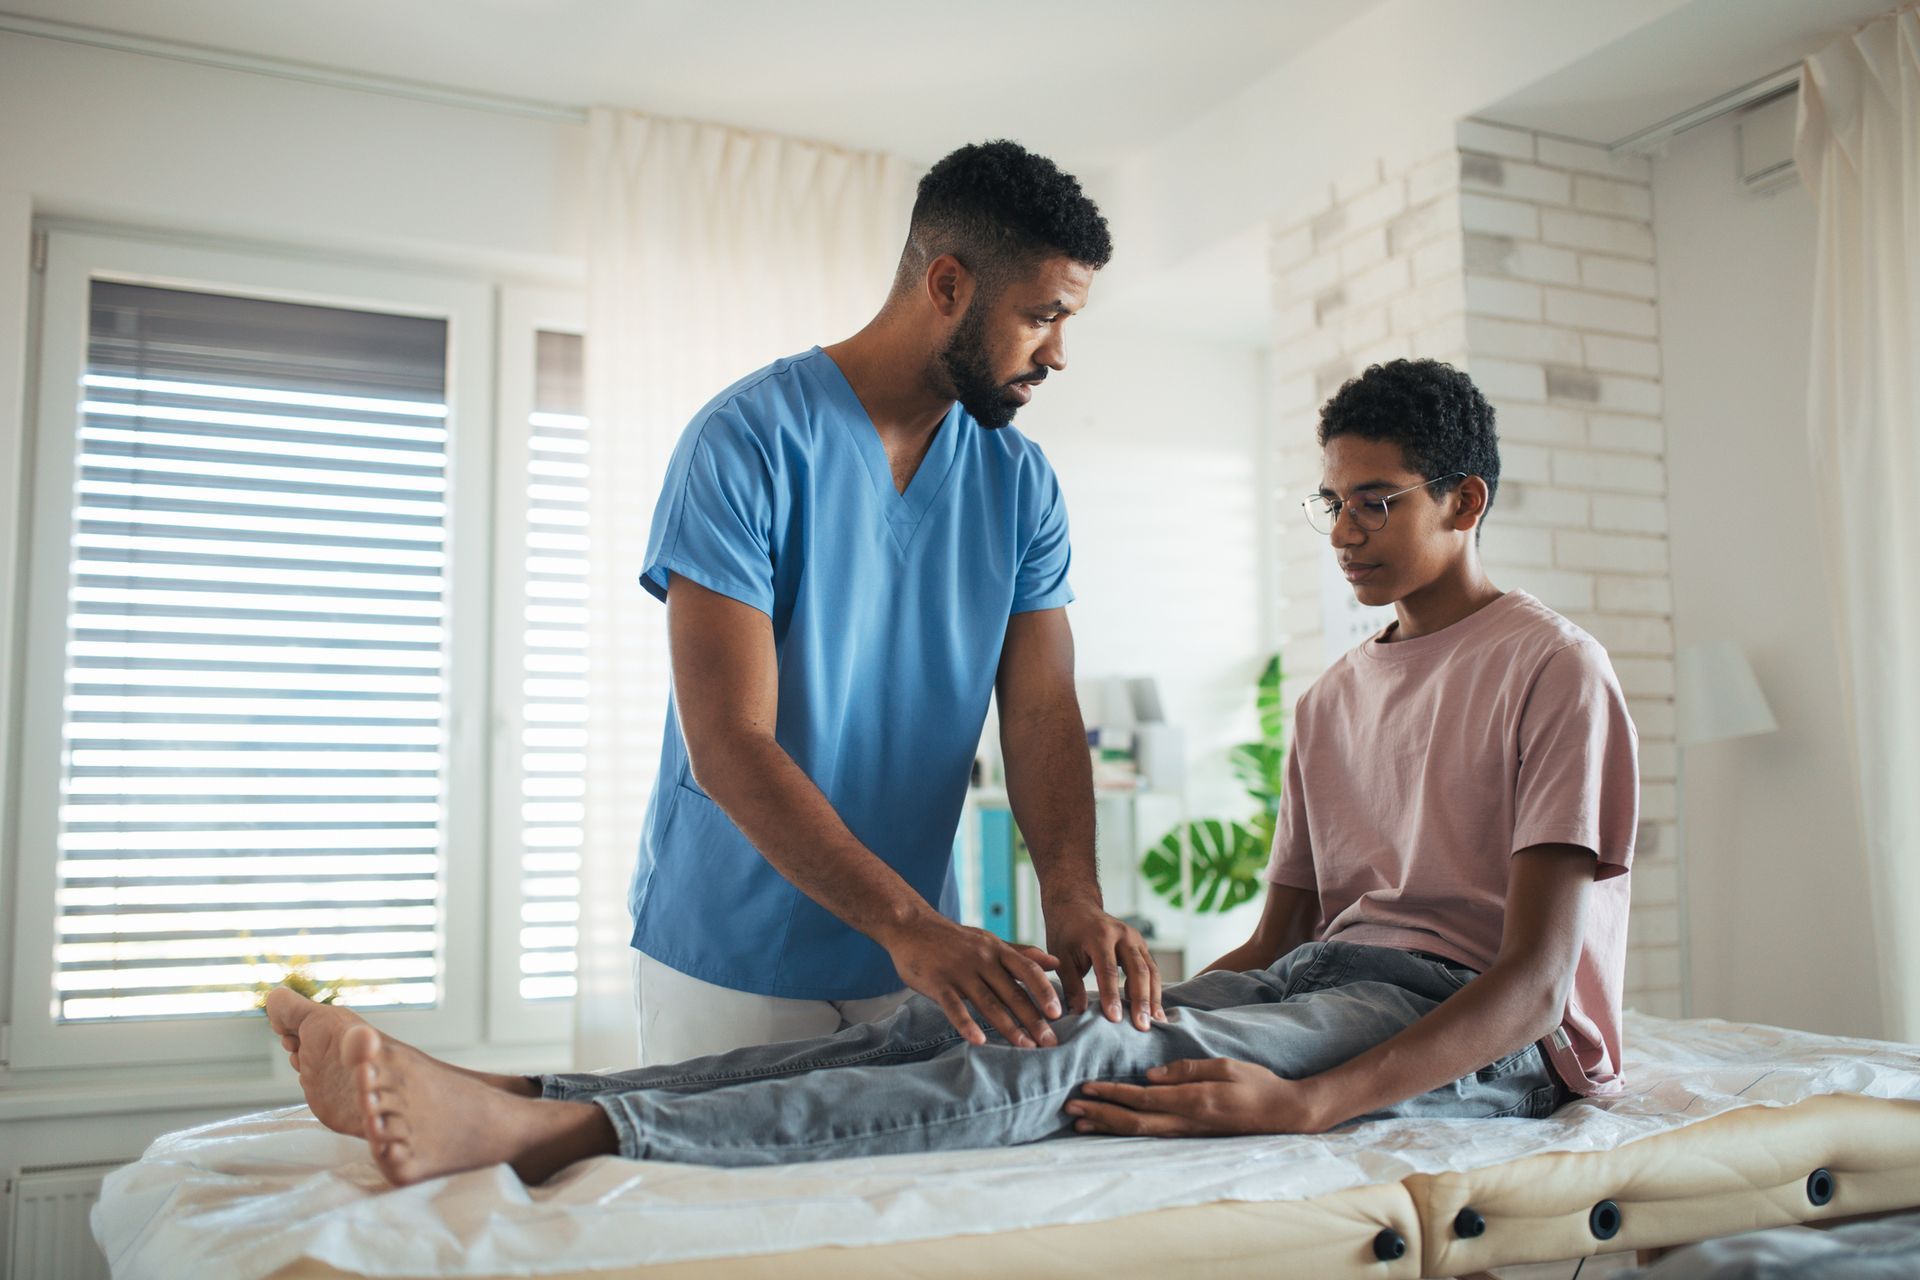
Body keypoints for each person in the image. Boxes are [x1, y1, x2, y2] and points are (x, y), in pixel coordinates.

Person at [269, 358, 1638, 1186]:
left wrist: (1305, 1103)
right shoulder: (1341, 695)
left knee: (1073, 1067)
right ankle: (503, 1099)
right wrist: (1132, 991)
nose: (1346, 532)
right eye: (1331, 502)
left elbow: (1529, 985)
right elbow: (1282, 935)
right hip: (1314, 983)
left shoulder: (1552, 669)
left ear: (1465, 503)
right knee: (992, 1027)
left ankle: (565, 1140)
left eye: (1379, 501)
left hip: (1460, 1026)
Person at [625, 138, 1159, 1064]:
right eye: (1041, 317)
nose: (1059, 354)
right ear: (947, 285)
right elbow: (728, 744)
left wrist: (1072, 899)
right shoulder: (745, 443)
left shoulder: (1020, 481)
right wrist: (909, 925)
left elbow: (1040, 711)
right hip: (734, 954)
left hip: (921, 962)